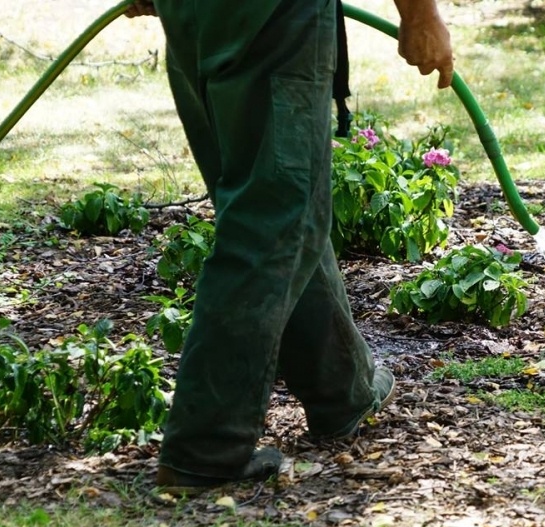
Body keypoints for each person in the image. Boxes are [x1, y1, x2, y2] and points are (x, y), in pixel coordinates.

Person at [125, 0, 453, 495]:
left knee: (277, 207)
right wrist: (420, 14)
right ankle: (205, 447)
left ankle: (342, 390)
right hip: (273, 17)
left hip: (196, 14)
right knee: (272, 219)